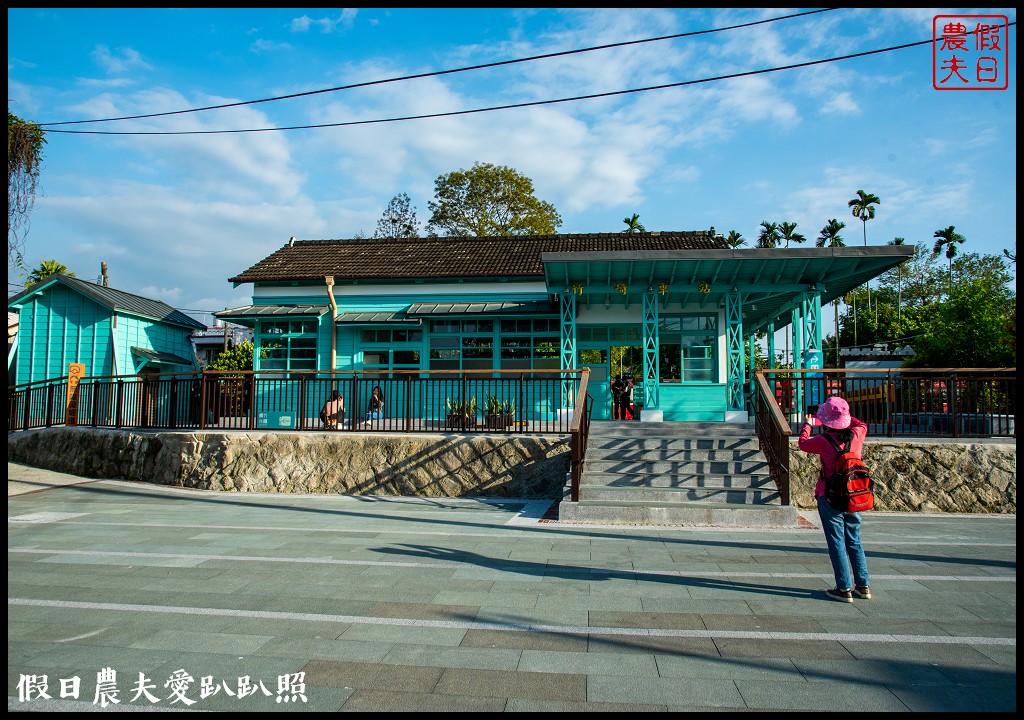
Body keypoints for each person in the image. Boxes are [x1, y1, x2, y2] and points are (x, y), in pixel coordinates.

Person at [798, 396, 871, 603]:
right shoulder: (857, 434)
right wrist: (843, 416)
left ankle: (843, 587)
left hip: (829, 496)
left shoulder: (823, 441)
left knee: (836, 541)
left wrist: (808, 424)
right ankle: (863, 585)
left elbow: (803, 444)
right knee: (854, 539)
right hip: (854, 495)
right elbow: (861, 423)